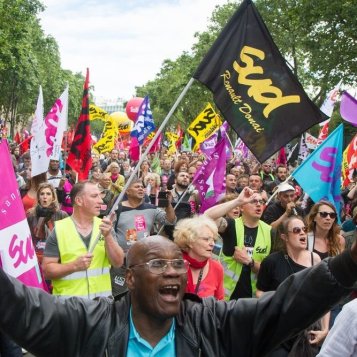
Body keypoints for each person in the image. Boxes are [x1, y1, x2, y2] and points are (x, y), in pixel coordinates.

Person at [1, 234, 357, 356]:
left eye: (176, 265)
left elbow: (285, 305)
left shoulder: (213, 324)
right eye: (157, 264)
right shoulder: (88, 322)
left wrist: (347, 265)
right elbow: (23, 308)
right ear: (129, 279)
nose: (173, 271)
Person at [256, 216, 328, 356]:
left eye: (304, 229)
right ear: (284, 237)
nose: (302, 233)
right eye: (296, 230)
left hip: (307, 331)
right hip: (278, 331)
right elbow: (259, 292)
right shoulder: (271, 261)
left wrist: (324, 329)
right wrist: (280, 297)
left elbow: (324, 297)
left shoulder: (315, 259)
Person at [42, 181, 124, 298]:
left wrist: (108, 236)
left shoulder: (105, 226)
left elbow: (118, 262)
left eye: (100, 196)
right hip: (70, 308)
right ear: (79, 201)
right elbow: (47, 271)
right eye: (94, 196)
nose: (101, 201)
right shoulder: (59, 229)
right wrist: (74, 266)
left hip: (100, 307)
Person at [111, 178, 176, 296]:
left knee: (143, 294)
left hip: (143, 261)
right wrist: (117, 252)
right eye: (137, 186)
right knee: (120, 296)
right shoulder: (117, 209)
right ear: (127, 191)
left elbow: (169, 221)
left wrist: (168, 204)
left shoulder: (151, 208)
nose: (141, 188)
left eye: (142, 187)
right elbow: (110, 232)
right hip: (122, 263)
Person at [205, 187, 272, 300]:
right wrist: (238, 201)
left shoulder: (270, 231)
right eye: (253, 201)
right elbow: (207, 217)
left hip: (254, 301)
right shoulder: (231, 225)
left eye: (261, 202)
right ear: (242, 207)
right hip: (227, 300)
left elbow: (271, 271)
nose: (258, 205)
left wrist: (249, 261)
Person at [307, 200, 346, 327]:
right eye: (323, 214)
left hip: (332, 298)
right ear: (314, 217)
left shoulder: (339, 240)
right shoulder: (306, 238)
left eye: (332, 215)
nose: (328, 218)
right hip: (310, 296)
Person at [173, 215, 224, 300]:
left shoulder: (217, 268)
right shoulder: (174, 266)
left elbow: (220, 303)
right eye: (206, 239)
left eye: (213, 240)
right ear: (190, 242)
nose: (212, 244)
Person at [27, 183, 68, 265]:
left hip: (56, 259)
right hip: (36, 259)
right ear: (38, 197)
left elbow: (68, 238)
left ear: (53, 197)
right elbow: (28, 238)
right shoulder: (31, 215)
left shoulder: (61, 215)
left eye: (48, 194)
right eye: (42, 194)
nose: (45, 196)